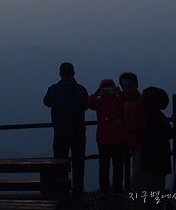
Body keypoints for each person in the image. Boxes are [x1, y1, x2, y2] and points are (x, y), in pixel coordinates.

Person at [43, 62, 88, 198]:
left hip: (60, 133)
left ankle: (62, 192)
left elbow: (46, 102)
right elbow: (86, 105)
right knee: (78, 163)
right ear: (73, 73)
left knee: (60, 163)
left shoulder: (54, 89)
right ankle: (78, 192)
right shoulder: (81, 90)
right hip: (78, 132)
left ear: (60, 74)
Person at [88, 78, 127, 193]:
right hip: (115, 139)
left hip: (105, 139)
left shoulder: (102, 101)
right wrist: (118, 93)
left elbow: (90, 103)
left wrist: (97, 93)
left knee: (107, 167)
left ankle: (108, 190)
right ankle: (114, 190)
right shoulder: (107, 101)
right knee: (115, 166)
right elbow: (89, 103)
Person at [139, 87, 173, 199]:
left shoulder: (151, 118)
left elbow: (149, 143)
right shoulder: (158, 117)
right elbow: (170, 133)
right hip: (160, 163)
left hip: (153, 164)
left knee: (151, 193)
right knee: (156, 192)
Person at [119, 72, 145, 191]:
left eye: (129, 86)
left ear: (136, 85)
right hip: (134, 145)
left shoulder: (140, 104)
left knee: (138, 178)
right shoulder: (128, 103)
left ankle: (136, 200)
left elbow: (141, 127)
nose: (127, 90)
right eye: (124, 87)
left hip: (141, 145)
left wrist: (123, 126)